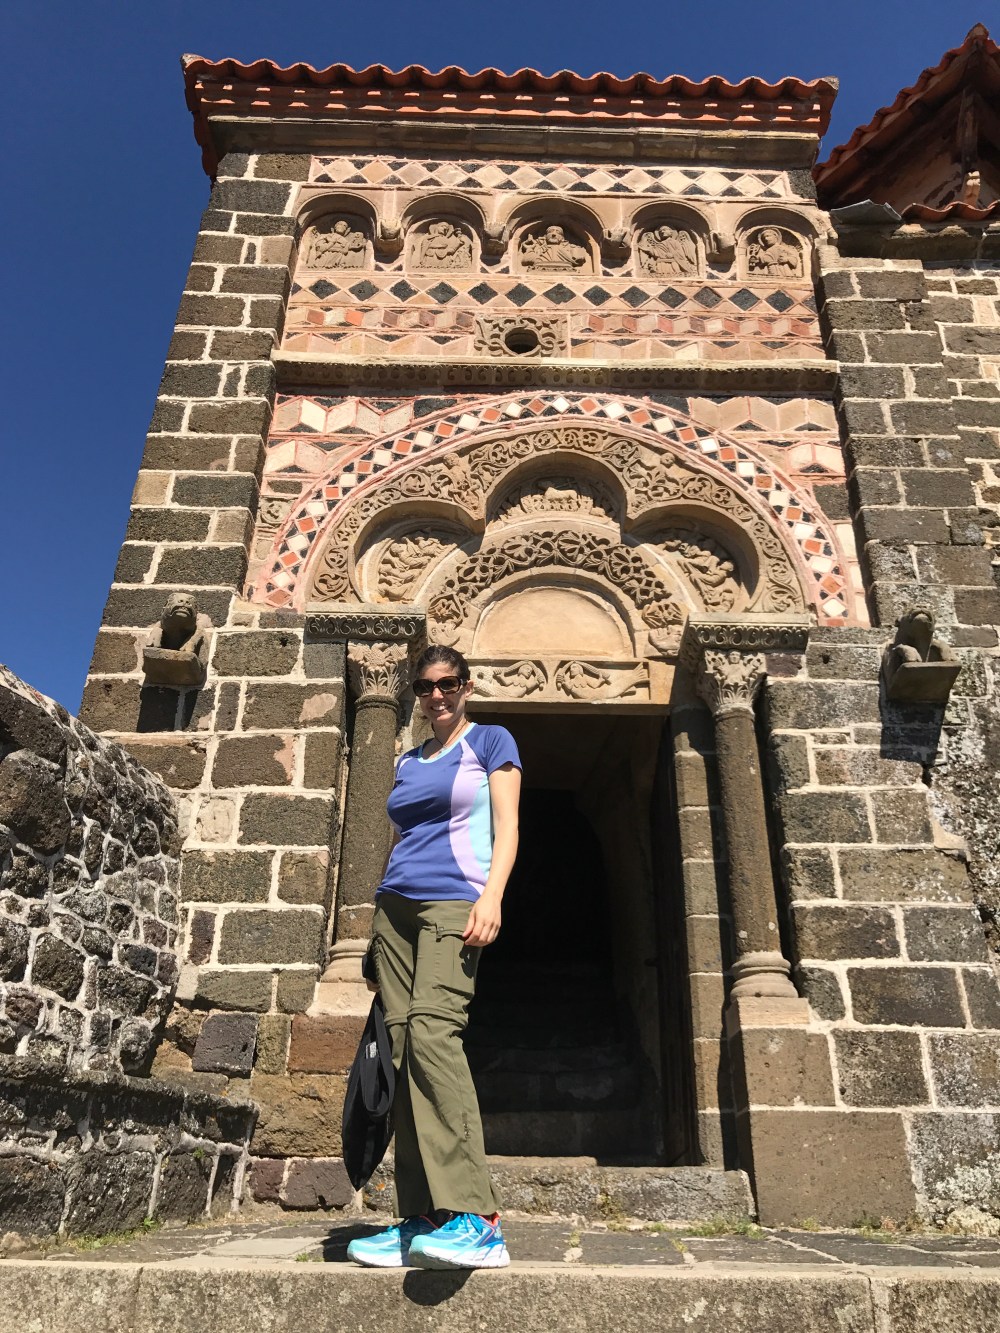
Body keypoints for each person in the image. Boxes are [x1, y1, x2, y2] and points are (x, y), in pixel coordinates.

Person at [346, 644, 521, 1271]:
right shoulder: (407, 760)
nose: (436, 695)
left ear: (466, 687)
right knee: (399, 1050)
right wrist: (374, 929)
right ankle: (422, 1217)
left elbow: (508, 826)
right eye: (425, 687)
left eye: (448, 684)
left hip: (455, 902)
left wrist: (492, 896)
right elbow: (400, 838)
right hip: (394, 910)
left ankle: (477, 1218)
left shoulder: (491, 742)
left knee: (432, 1036)